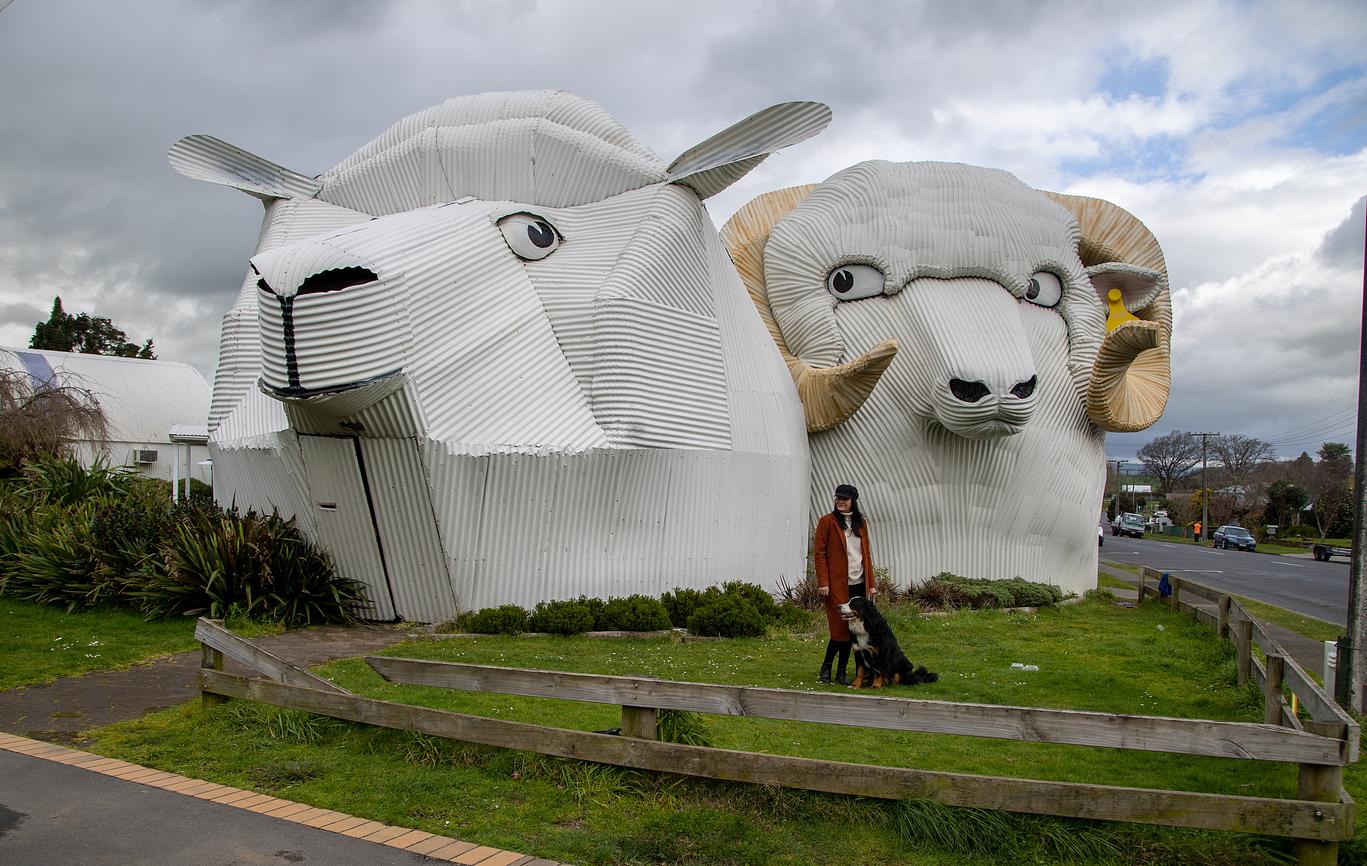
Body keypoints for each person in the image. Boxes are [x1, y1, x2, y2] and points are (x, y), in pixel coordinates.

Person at [813, 483, 877, 684]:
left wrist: (871, 584)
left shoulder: (861, 523)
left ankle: (841, 673)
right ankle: (826, 667)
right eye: (837, 498)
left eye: (844, 499)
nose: (840, 501)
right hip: (836, 585)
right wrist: (823, 582)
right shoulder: (827, 521)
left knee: (851, 630)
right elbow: (819, 554)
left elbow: (866, 555)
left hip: (858, 583)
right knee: (839, 628)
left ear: (853, 501)